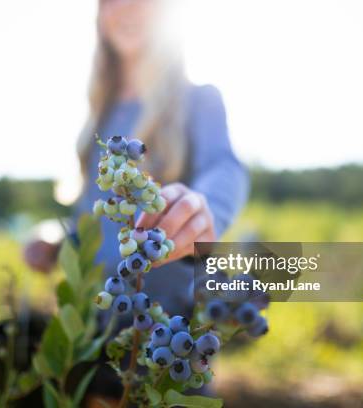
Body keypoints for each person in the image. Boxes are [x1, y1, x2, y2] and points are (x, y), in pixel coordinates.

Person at [23, 0, 249, 401]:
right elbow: (92, 222)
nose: (127, 7)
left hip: (164, 327)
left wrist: (205, 207)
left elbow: (225, 168)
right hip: (97, 330)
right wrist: (55, 238)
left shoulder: (198, 100)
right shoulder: (99, 117)